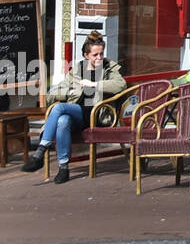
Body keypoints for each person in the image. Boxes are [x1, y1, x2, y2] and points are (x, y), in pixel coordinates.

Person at [22, 32, 125, 183]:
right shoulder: (77, 70)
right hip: (77, 113)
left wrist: (95, 84)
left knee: (59, 109)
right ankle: (64, 169)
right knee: (62, 121)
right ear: (86, 55)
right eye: (95, 55)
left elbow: (120, 85)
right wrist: (68, 92)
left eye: (101, 54)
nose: (99, 58)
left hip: (97, 114)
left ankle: (40, 151)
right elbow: (52, 93)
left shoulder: (109, 67)